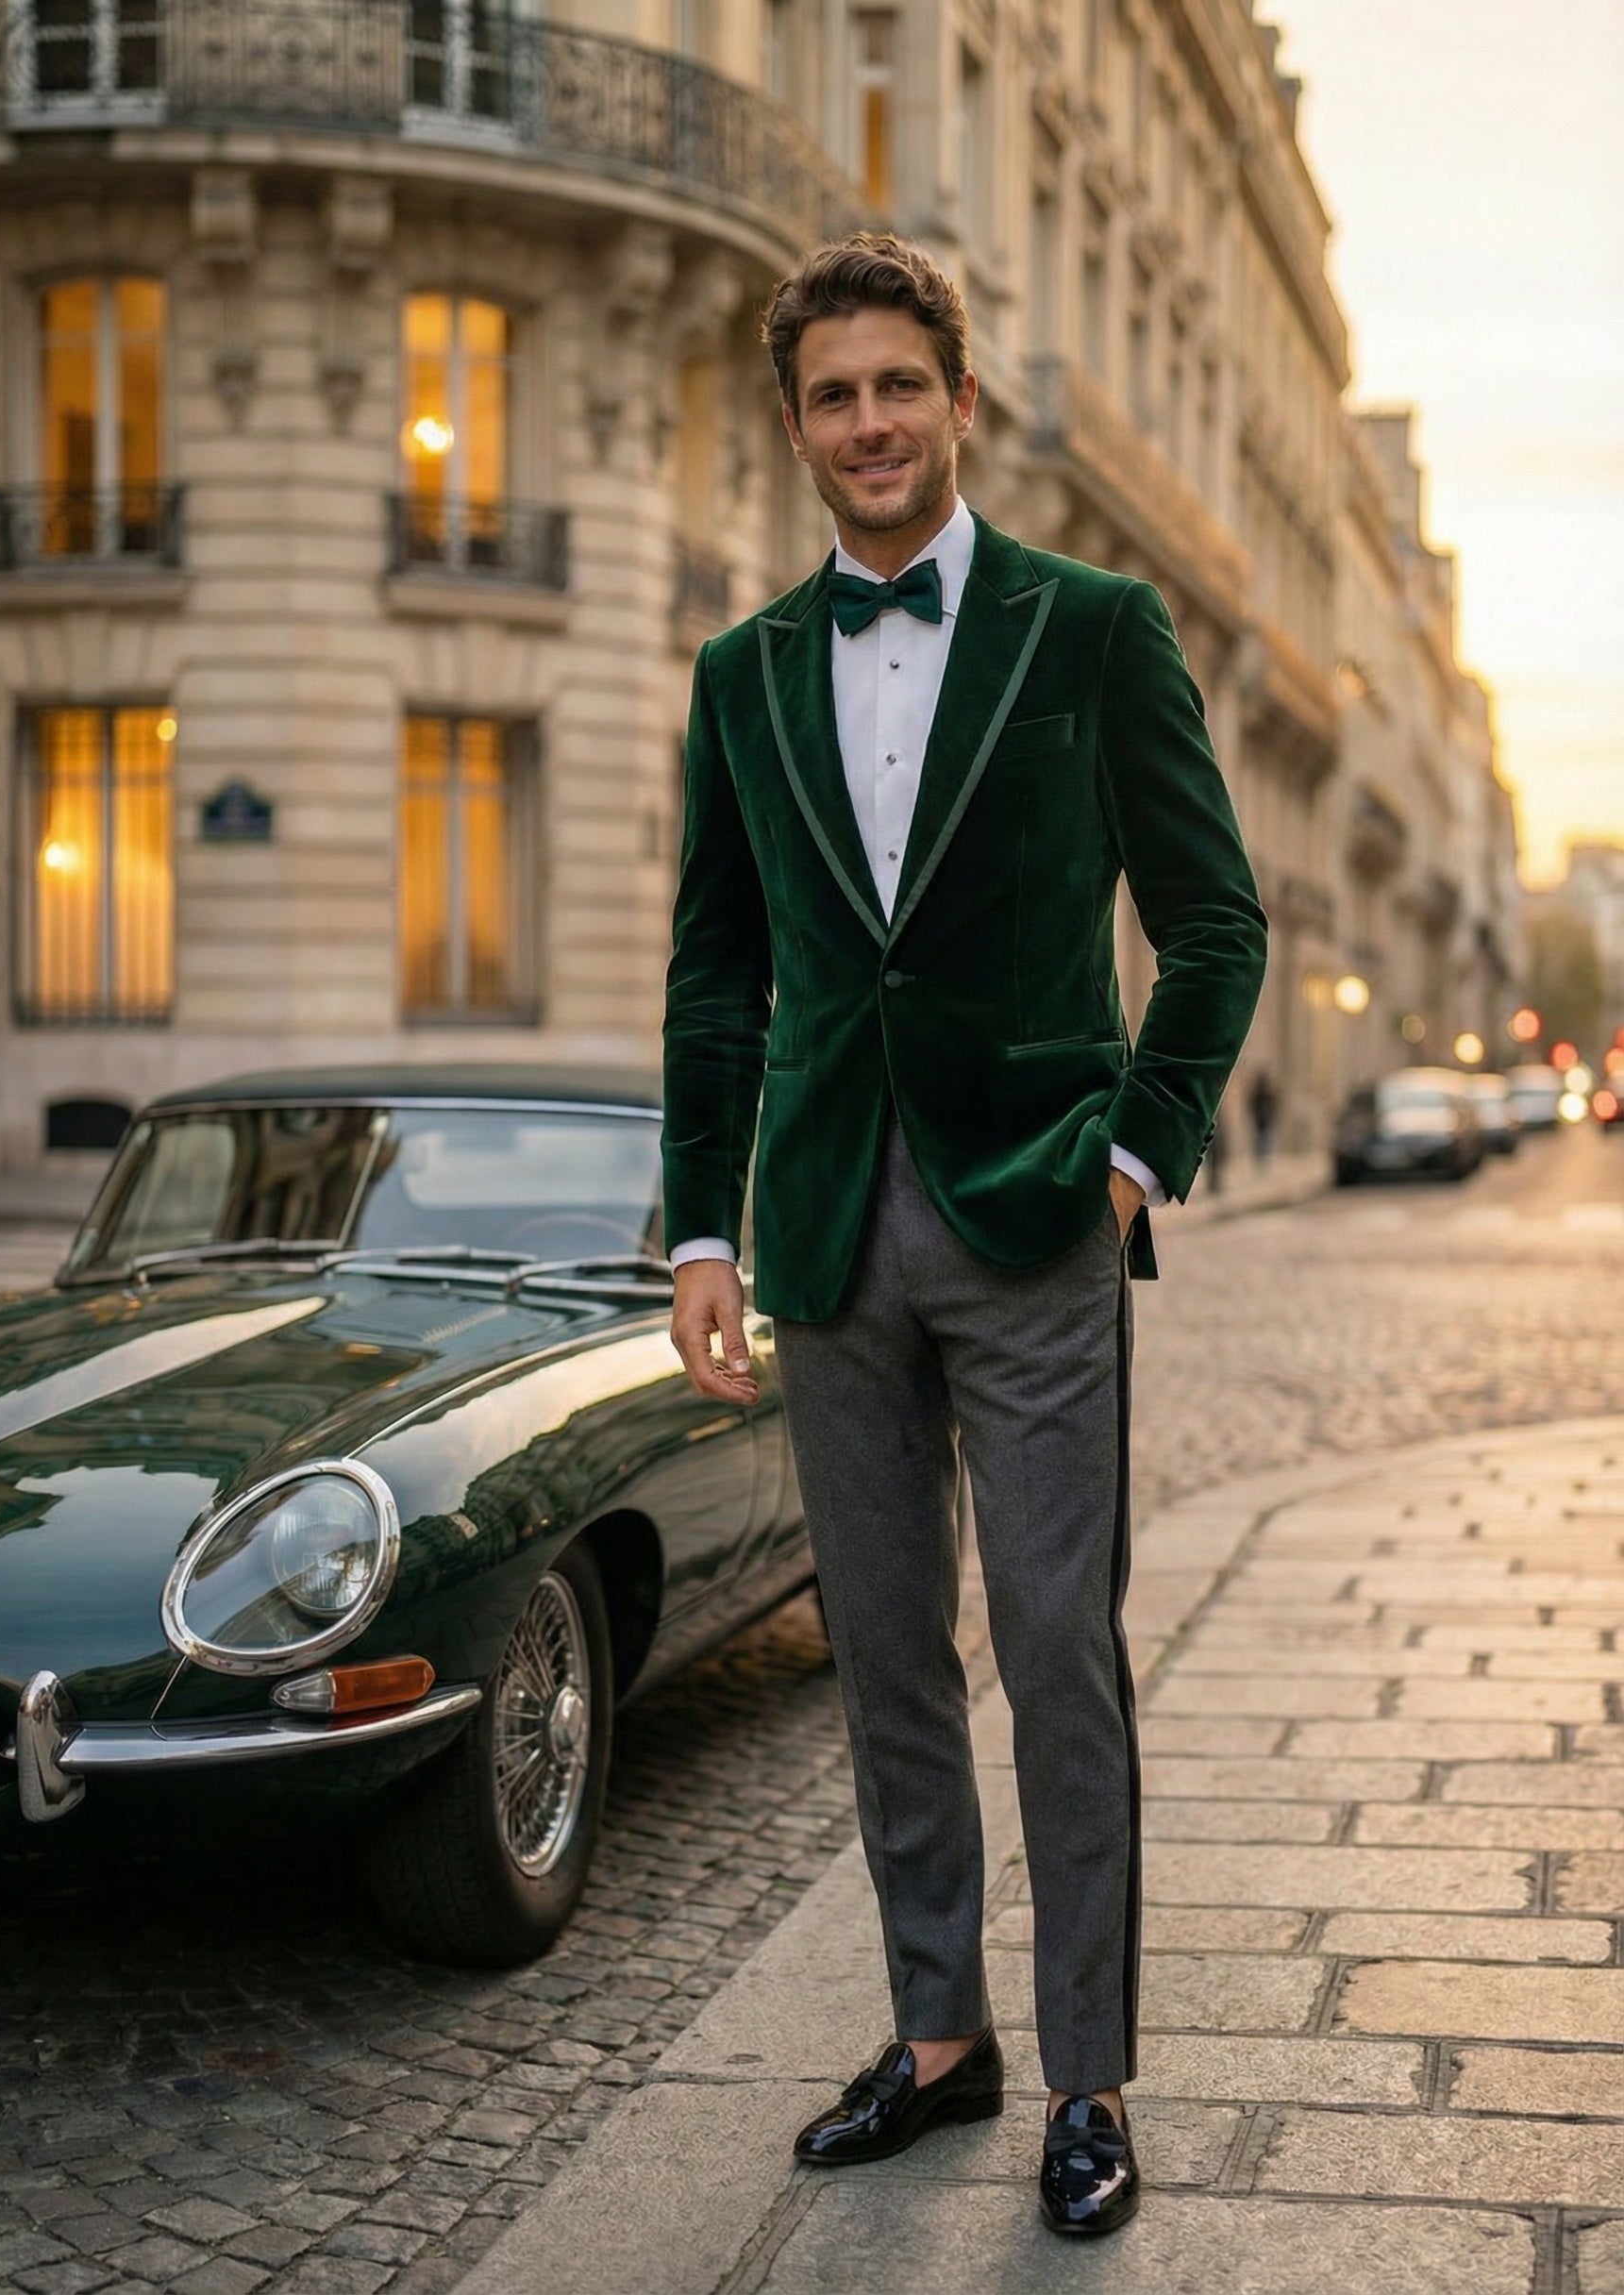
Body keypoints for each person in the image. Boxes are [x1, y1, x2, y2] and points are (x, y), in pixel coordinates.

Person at [661, 233, 1266, 2239]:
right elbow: (716, 978)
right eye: (830, 396)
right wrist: (698, 1227)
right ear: (797, 428)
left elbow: (1214, 921)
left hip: (1033, 1218)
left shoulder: (1090, 625)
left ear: (957, 401)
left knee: (1053, 1651)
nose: (866, 425)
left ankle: (1086, 2075)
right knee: (886, 1666)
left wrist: (1134, 1156)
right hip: (827, 1230)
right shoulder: (742, 675)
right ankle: (942, 2037)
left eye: (894, 386)